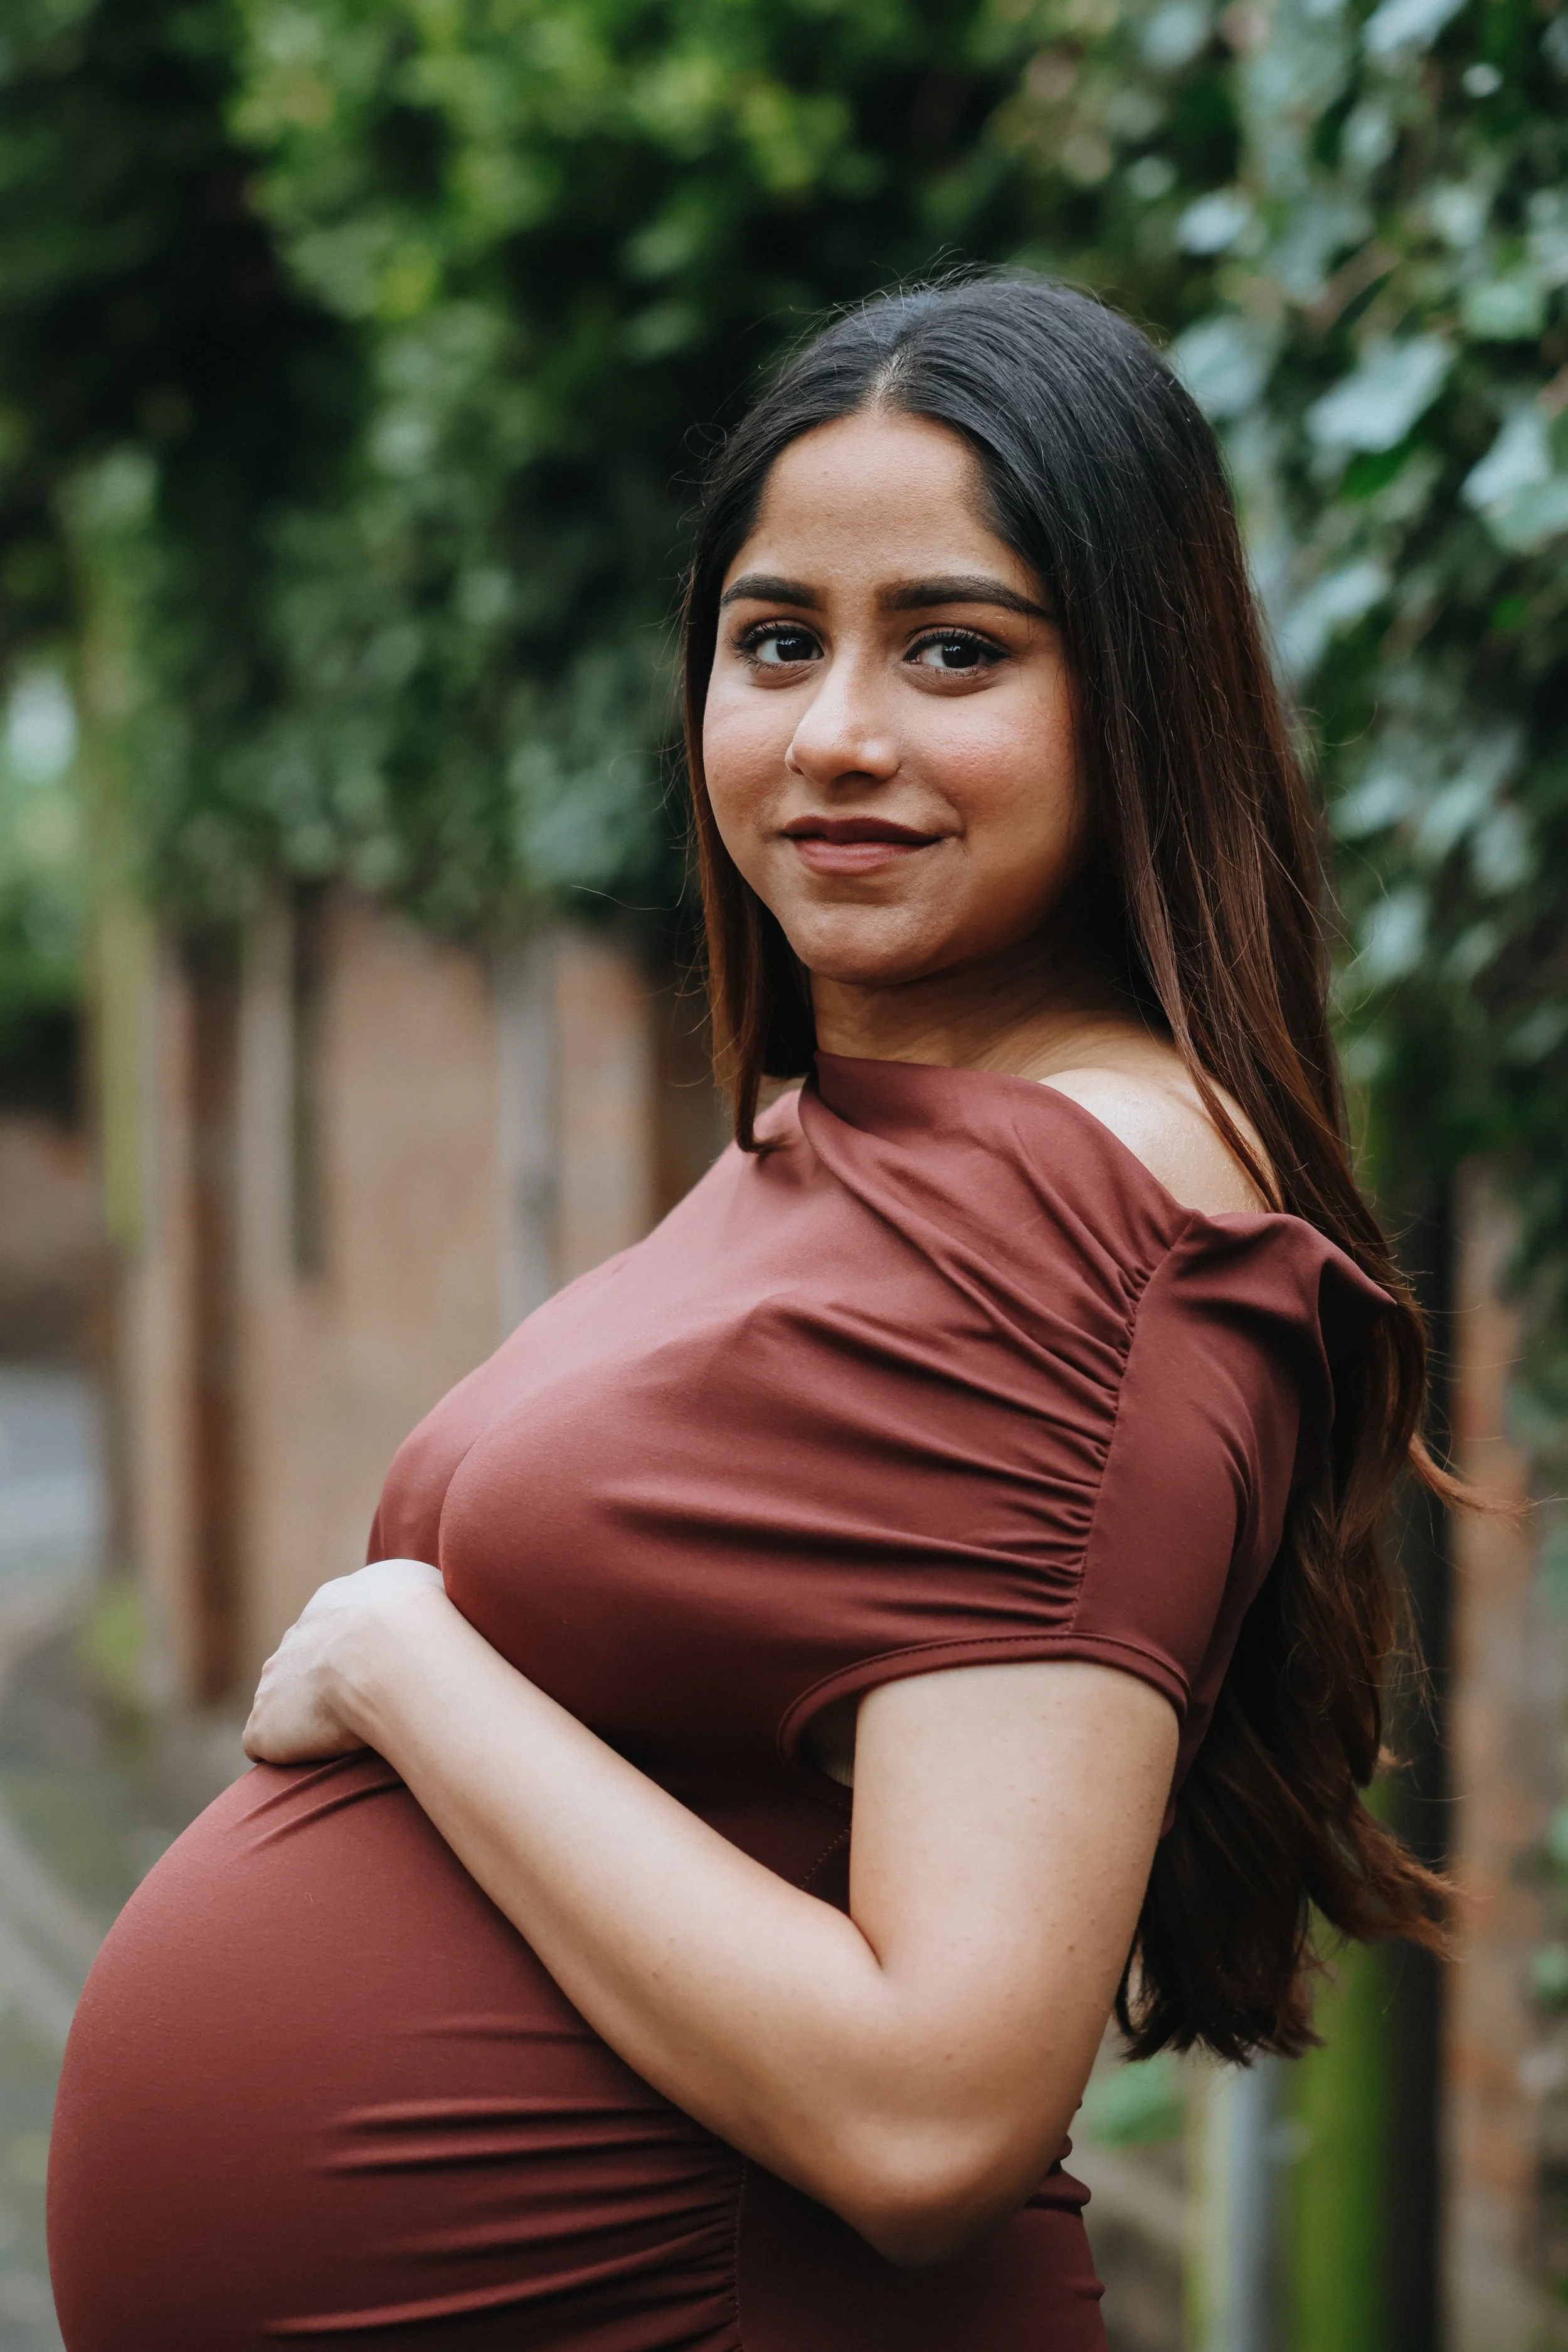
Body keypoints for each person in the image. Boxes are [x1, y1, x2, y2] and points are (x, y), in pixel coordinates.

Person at [48, 275, 1446, 2350]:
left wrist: (409, 1662)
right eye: (775, 640)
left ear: (1136, 695)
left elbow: (933, 2111)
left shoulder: (1075, 1206)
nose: (837, 735)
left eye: (954, 648)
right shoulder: (872, 1130)